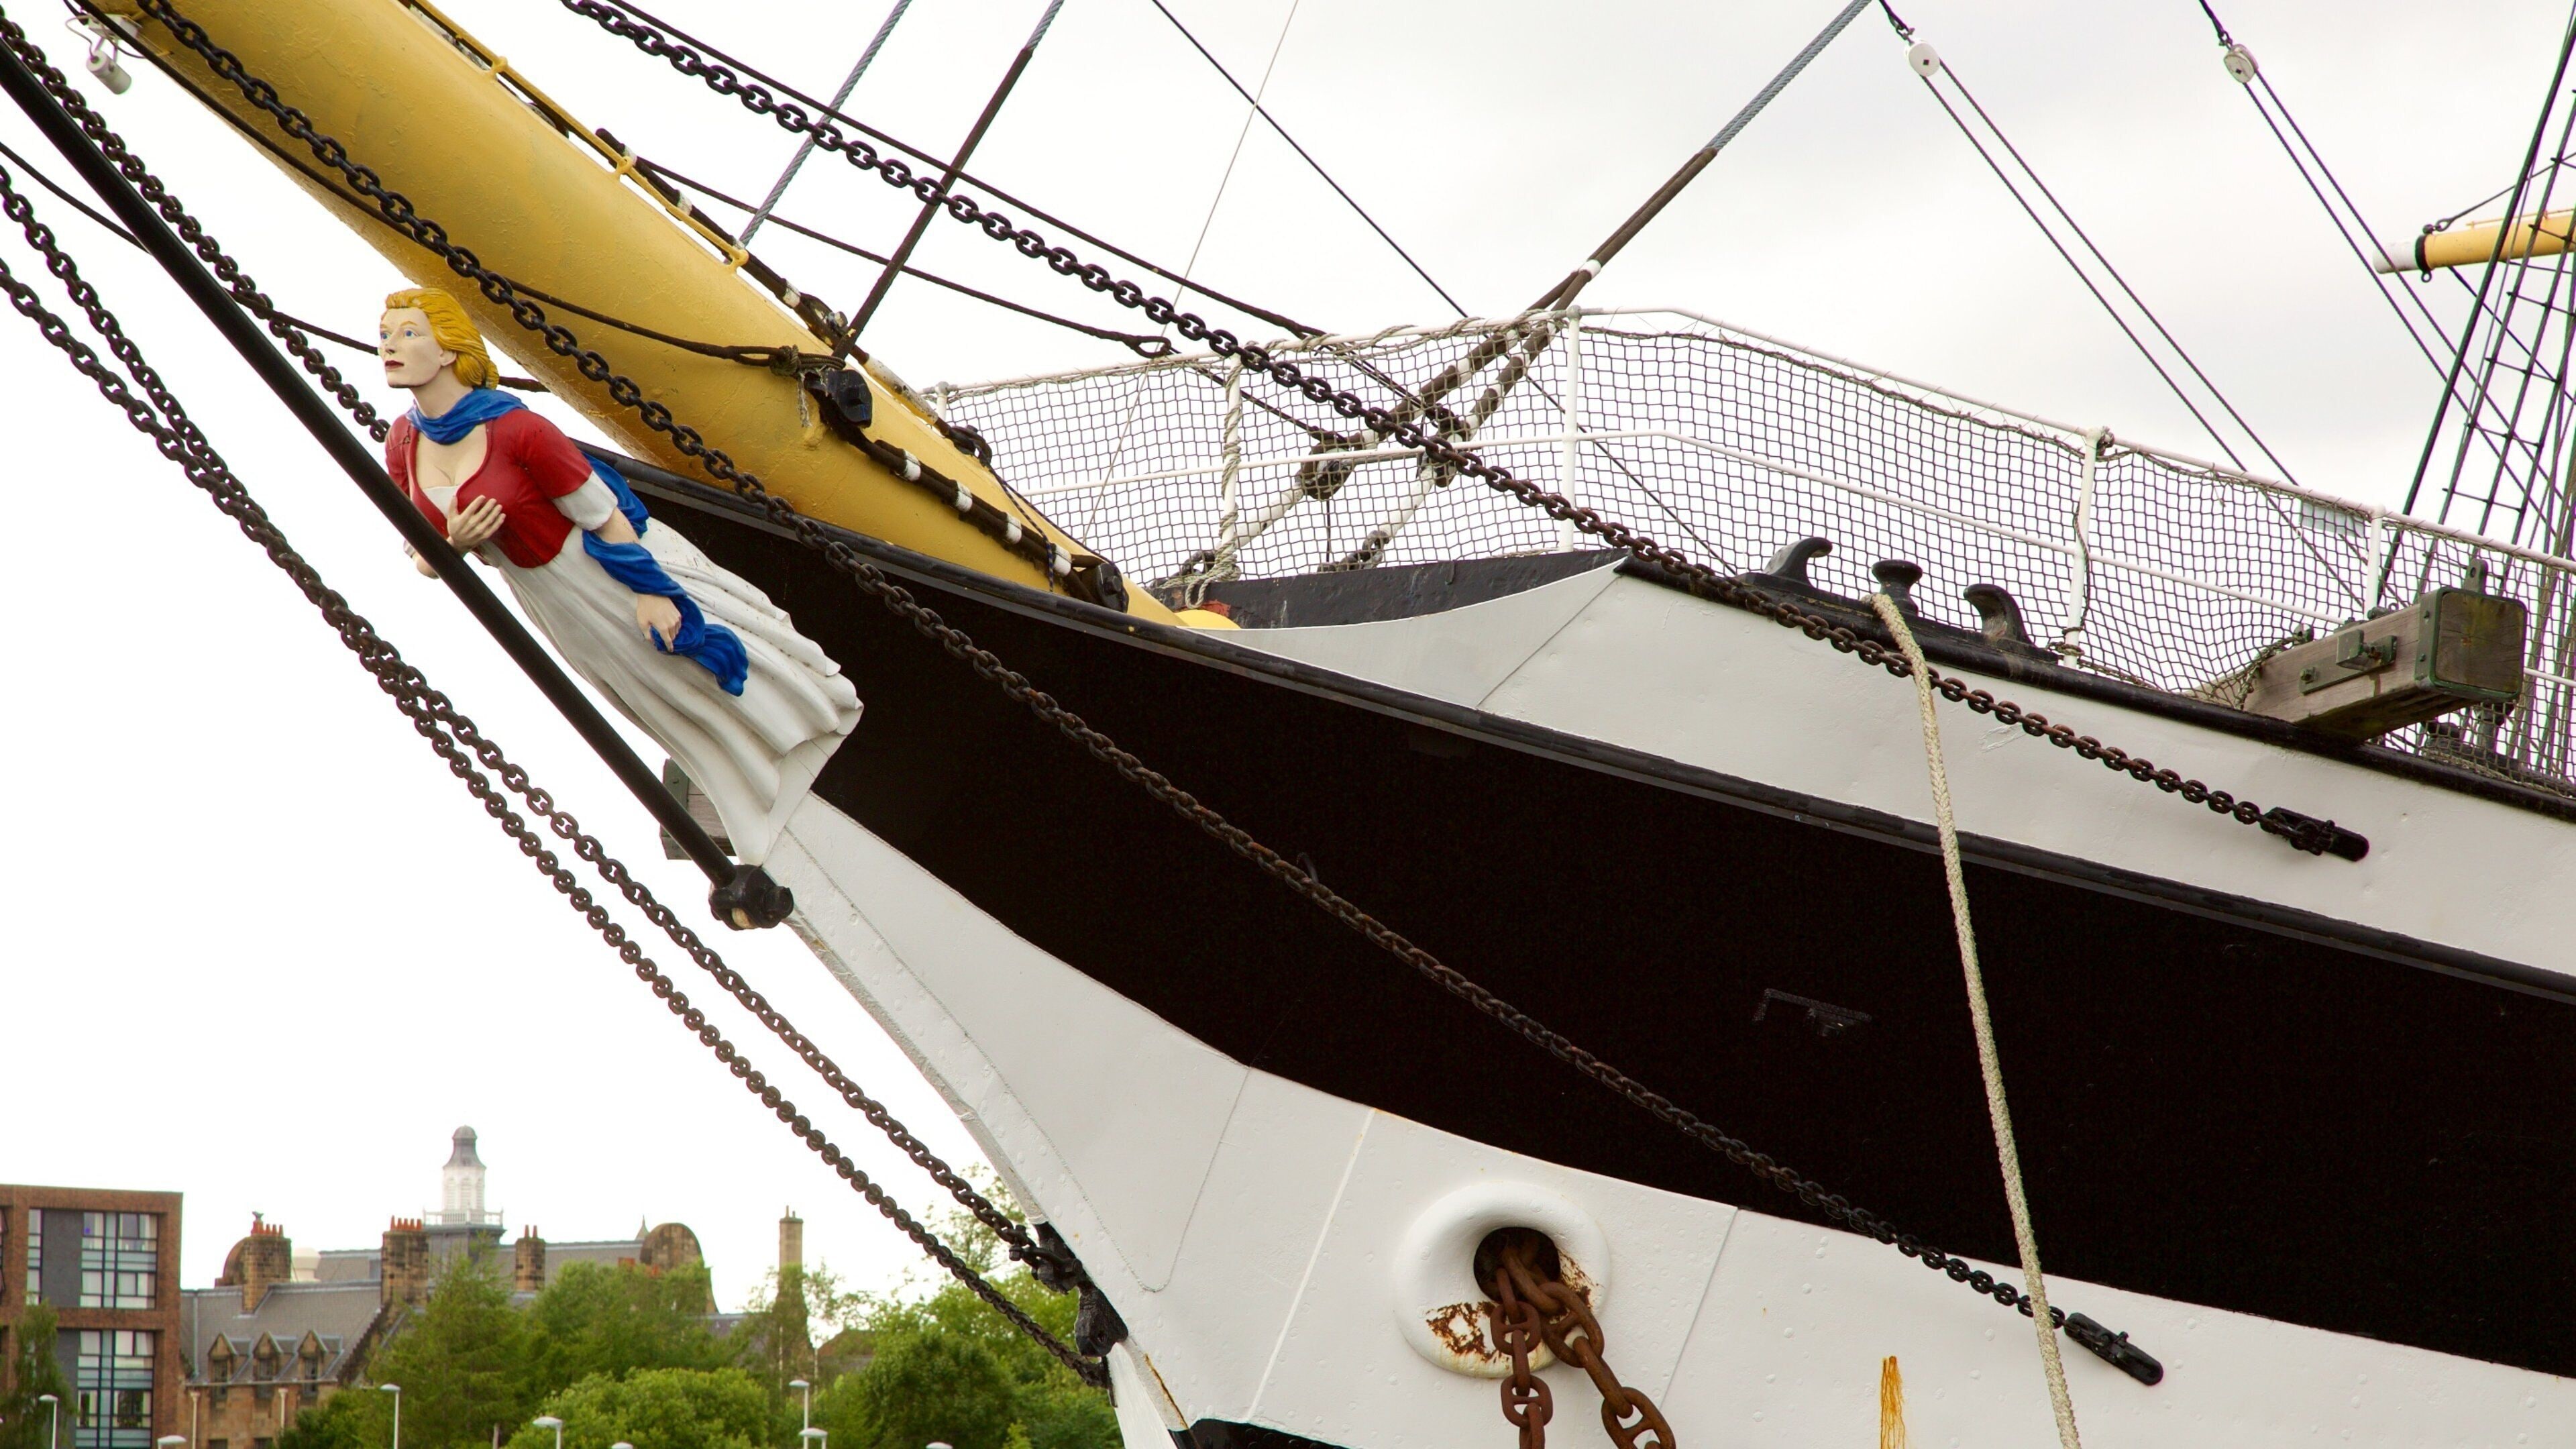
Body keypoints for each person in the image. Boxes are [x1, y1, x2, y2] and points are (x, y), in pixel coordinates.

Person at [378, 286, 860, 864]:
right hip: (549, 598)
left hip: (602, 571)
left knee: (689, 668)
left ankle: (800, 734)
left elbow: (604, 515)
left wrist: (651, 593)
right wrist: (455, 544)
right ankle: (747, 801)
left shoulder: (518, 431)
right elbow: (423, 557)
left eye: (408, 334)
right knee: (652, 703)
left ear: (450, 350)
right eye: (385, 335)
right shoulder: (403, 443)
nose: (390, 347)